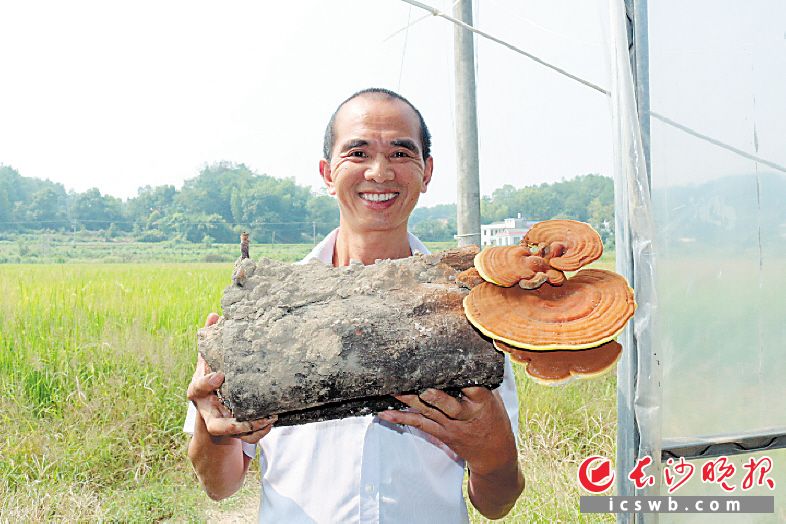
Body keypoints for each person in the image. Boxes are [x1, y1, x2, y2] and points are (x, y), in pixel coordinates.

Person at [185, 88, 524, 523]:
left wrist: (492, 448)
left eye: (401, 153)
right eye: (358, 153)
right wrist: (211, 428)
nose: (380, 172)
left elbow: (497, 503)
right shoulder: (262, 314)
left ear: (427, 171)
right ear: (327, 173)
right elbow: (220, 485)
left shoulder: (472, 313)